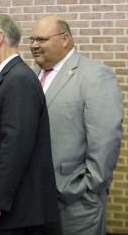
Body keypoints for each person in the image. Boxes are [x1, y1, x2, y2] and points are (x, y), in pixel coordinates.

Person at [30, 15, 123, 235]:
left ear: (65, 39)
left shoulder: (94, 75)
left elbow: (106, 139)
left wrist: (89, 187)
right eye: (32, 39)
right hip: (35, 201)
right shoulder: (31, 76)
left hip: (77, 200)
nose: (34, 45)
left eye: (41, 39)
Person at [0, 14, 59, 235]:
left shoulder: (18, 79)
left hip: (13, 214)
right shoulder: (8, 77)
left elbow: (15, 146)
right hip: (9, 213)